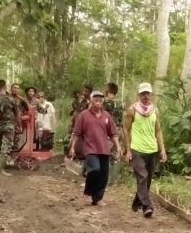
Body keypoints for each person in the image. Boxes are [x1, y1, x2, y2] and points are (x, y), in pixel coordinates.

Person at [69, 91, 121, 206]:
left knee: (103, 174)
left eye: (100, 100)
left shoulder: (106, 115)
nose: (98, 102)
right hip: (90, 148)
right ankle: (88, 191)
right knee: (94, 170)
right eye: (96, 100)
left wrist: (118, 146)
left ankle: (97, 198)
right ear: (91, 101)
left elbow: (113, 133)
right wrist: (72, 147)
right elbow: (77, 133)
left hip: (104, 148)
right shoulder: (84, 115)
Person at [124, 82, 167, 218]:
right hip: (137, 149)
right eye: (143, 93)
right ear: (139, 95)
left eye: (148, 93)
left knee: (147, 179)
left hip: (152, 150)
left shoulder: (155, 110)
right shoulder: (132, 110)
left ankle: (137, 203)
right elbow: (126, 129)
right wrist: (128, 150)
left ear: (151, 95)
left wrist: (162, 150)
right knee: (142, 177)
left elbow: (158, 131)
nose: (146, 96)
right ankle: (147, 207)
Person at [102, 82, 126, 186]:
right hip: (119, 129)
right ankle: (114, 180)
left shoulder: (105, 103)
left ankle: (105, 179)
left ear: (108, 89)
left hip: (108, 130)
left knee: (104, 154)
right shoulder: (122, 103)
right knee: (116, 155)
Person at [64, 84, 92, 156]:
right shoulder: (82, 101)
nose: (84, 92)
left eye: (86, 91)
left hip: (86, 126)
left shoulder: (91, 102)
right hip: (78, 124)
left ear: (90, 92)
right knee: (72, 139)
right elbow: (77, 111)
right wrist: (71, 122)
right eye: (84, 91)